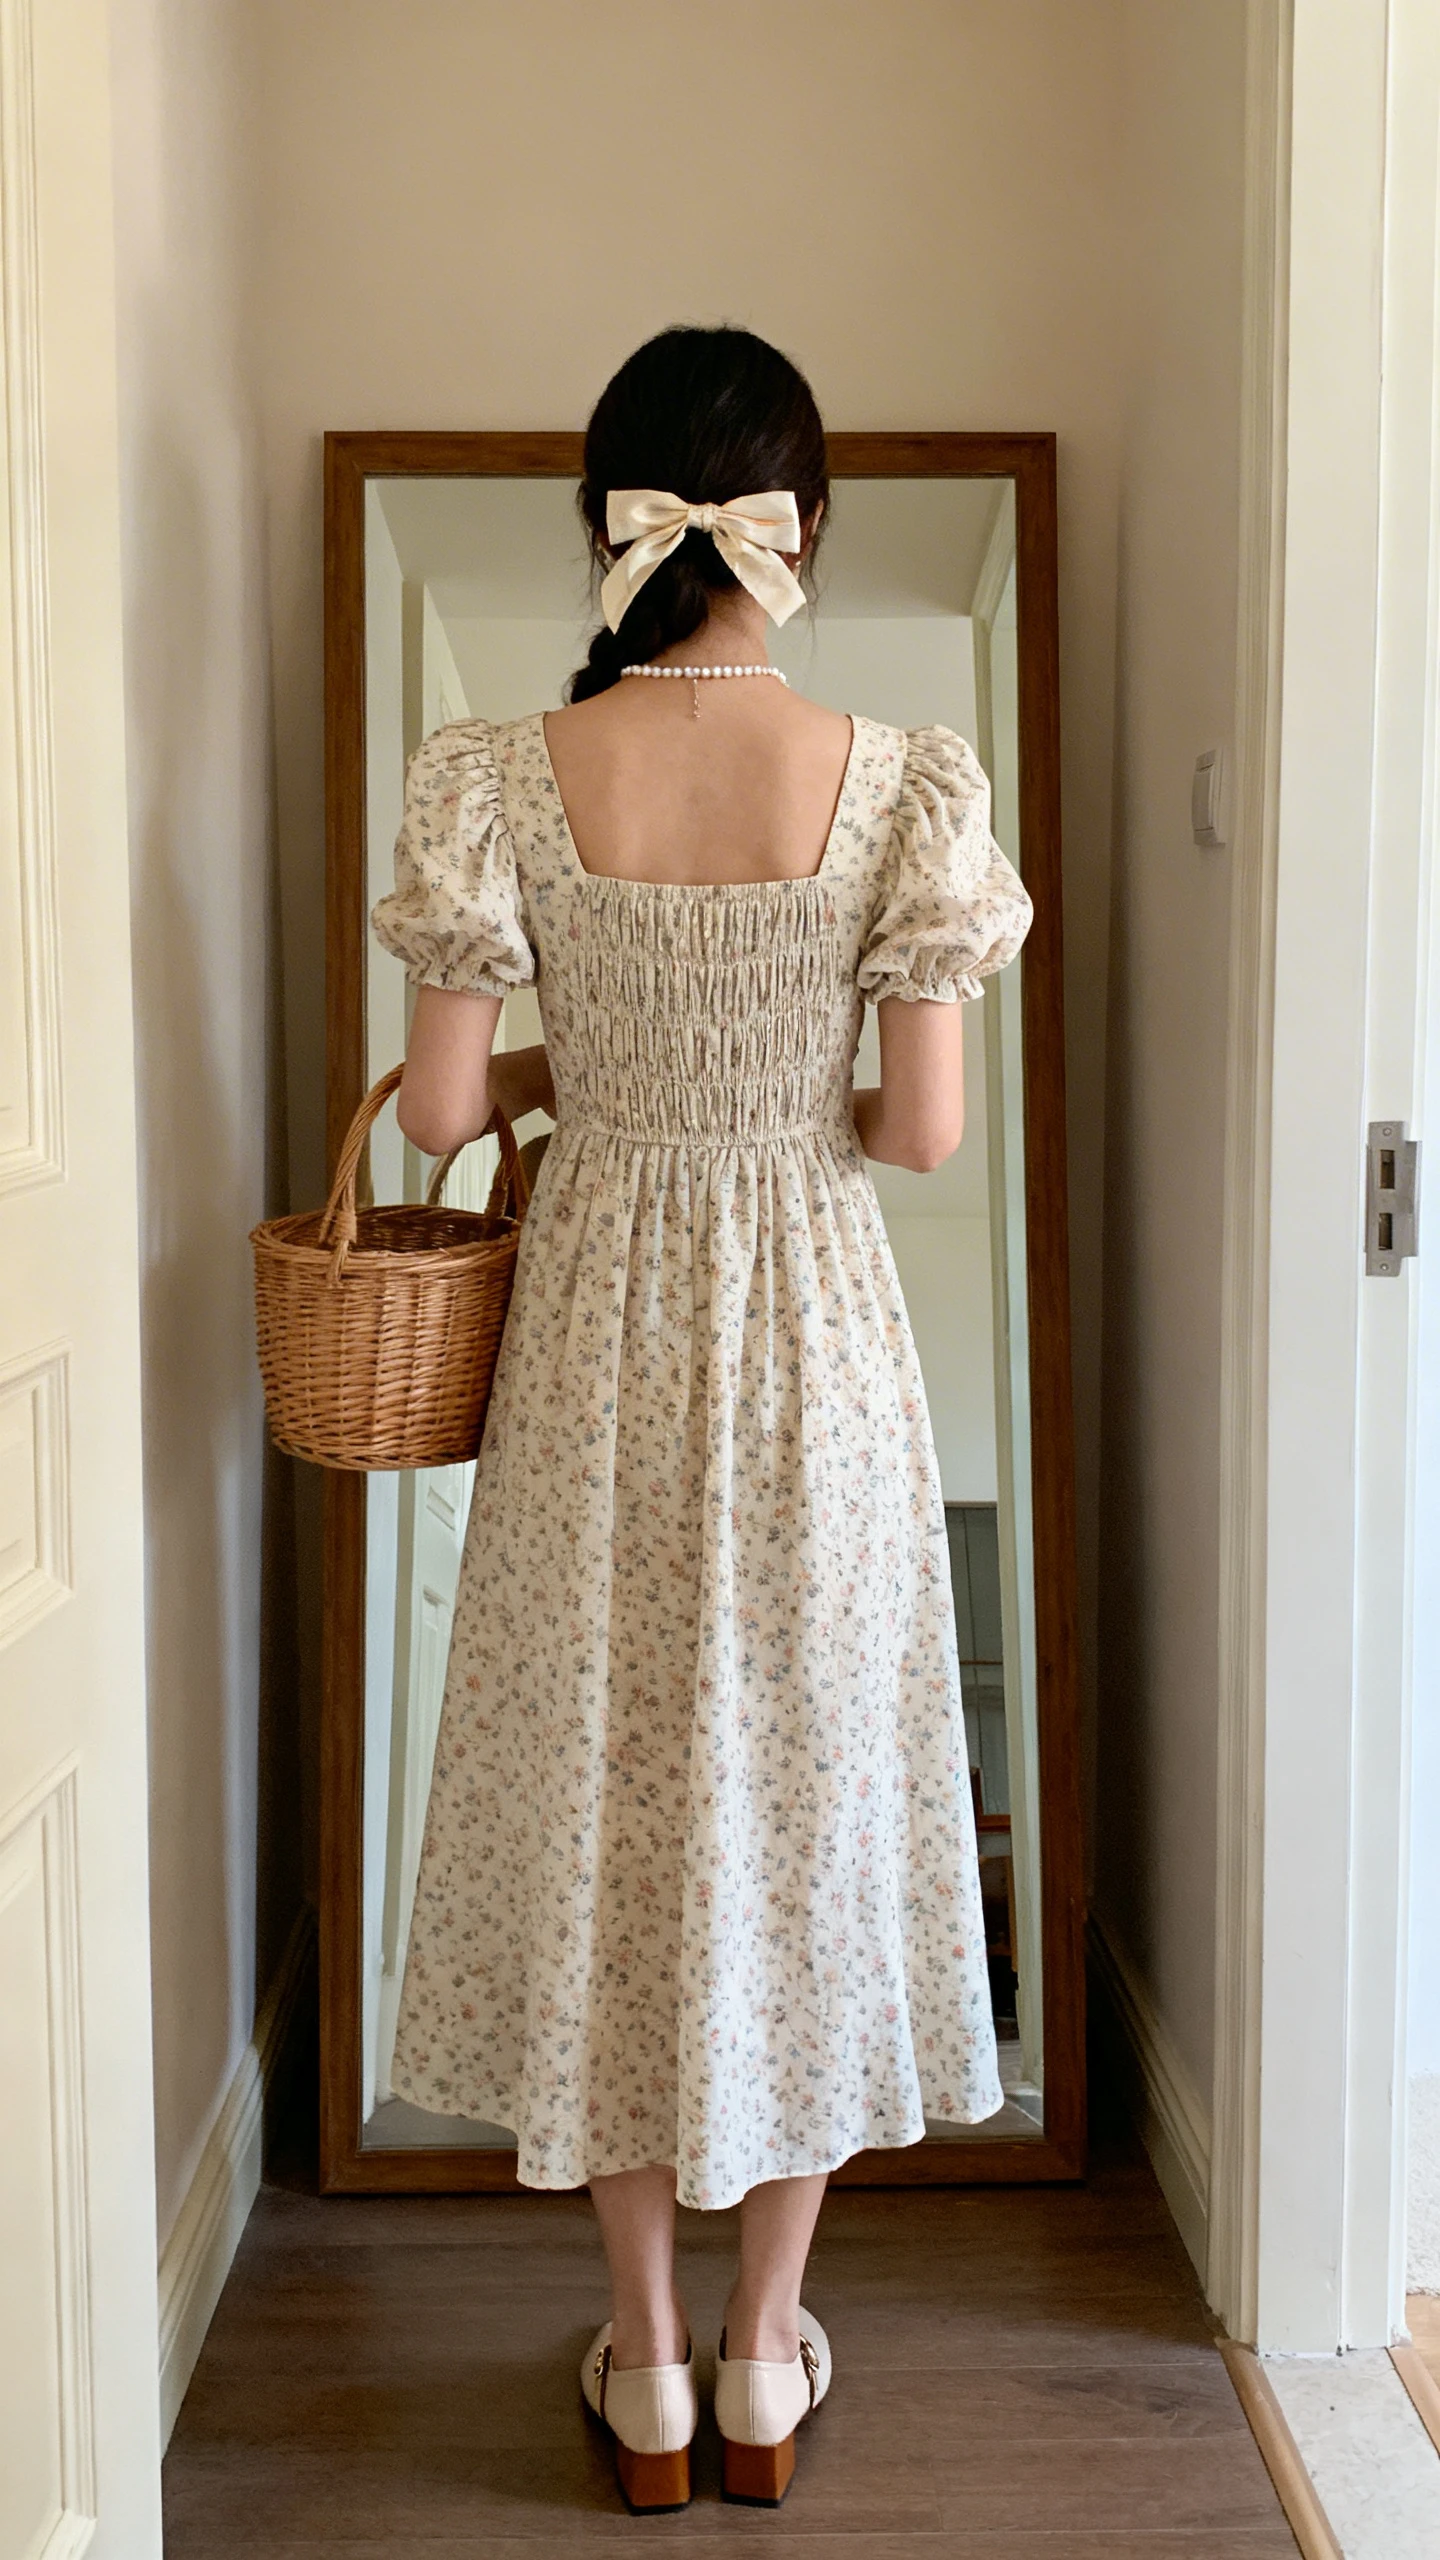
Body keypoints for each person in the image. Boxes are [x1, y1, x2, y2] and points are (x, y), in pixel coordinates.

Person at [371, 324, 1033, 2514]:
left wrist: (600, 1081)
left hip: (595, 1339)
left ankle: (641, 2359)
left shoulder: (493, 770)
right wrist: (772, 1097)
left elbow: (451, 1106)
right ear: (799, 530)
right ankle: (768, 2355)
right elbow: (921, 1133)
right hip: (817, 1345)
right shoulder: (905, 774)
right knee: (807, 1816)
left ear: (607, 526)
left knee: (610, 1811)